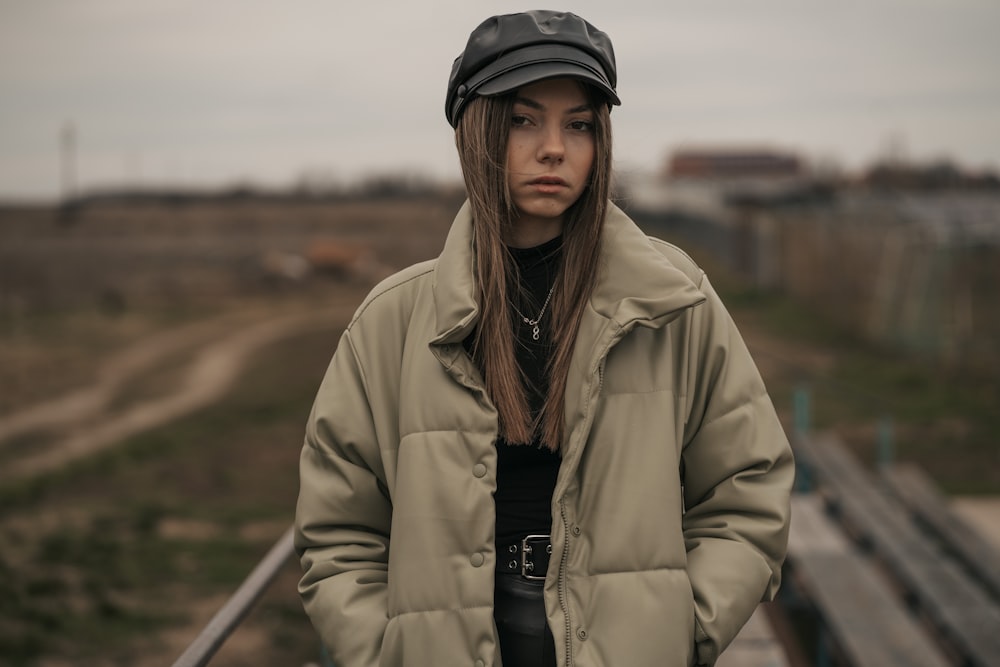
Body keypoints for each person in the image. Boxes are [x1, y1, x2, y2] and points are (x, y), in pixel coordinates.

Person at [295, 10, 794, 667]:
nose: (553, 148)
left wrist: (680, 629)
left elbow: (748, 491)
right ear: (476, 131)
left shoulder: (673, 303)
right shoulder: (392, 321)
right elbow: (337, 531)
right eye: (524, 120)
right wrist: (389, 650)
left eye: (579, 124)